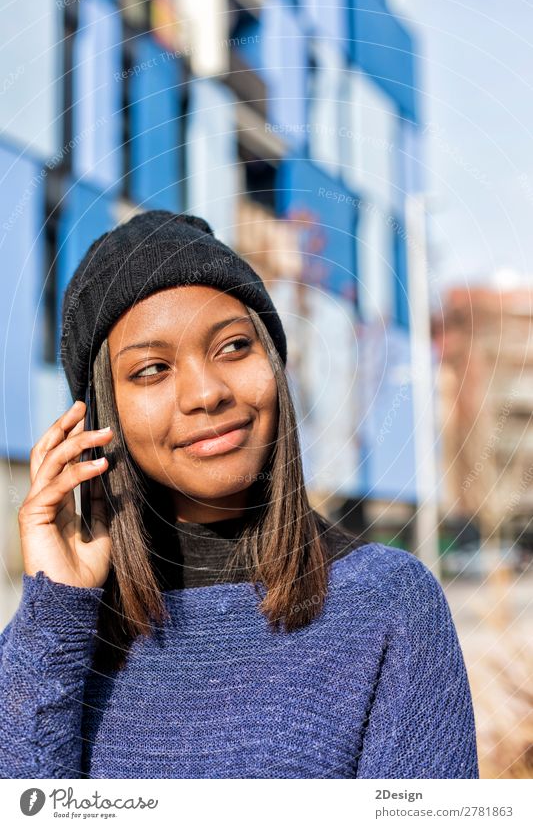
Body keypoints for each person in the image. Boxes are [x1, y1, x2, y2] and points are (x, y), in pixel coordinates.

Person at [0, 210, 479, 779]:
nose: (206, 393)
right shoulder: (57, 638)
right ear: (102, 418)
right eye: (152, 369)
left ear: (275, 365)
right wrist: (56, 610)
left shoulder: (388, 605)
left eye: (232, 347)